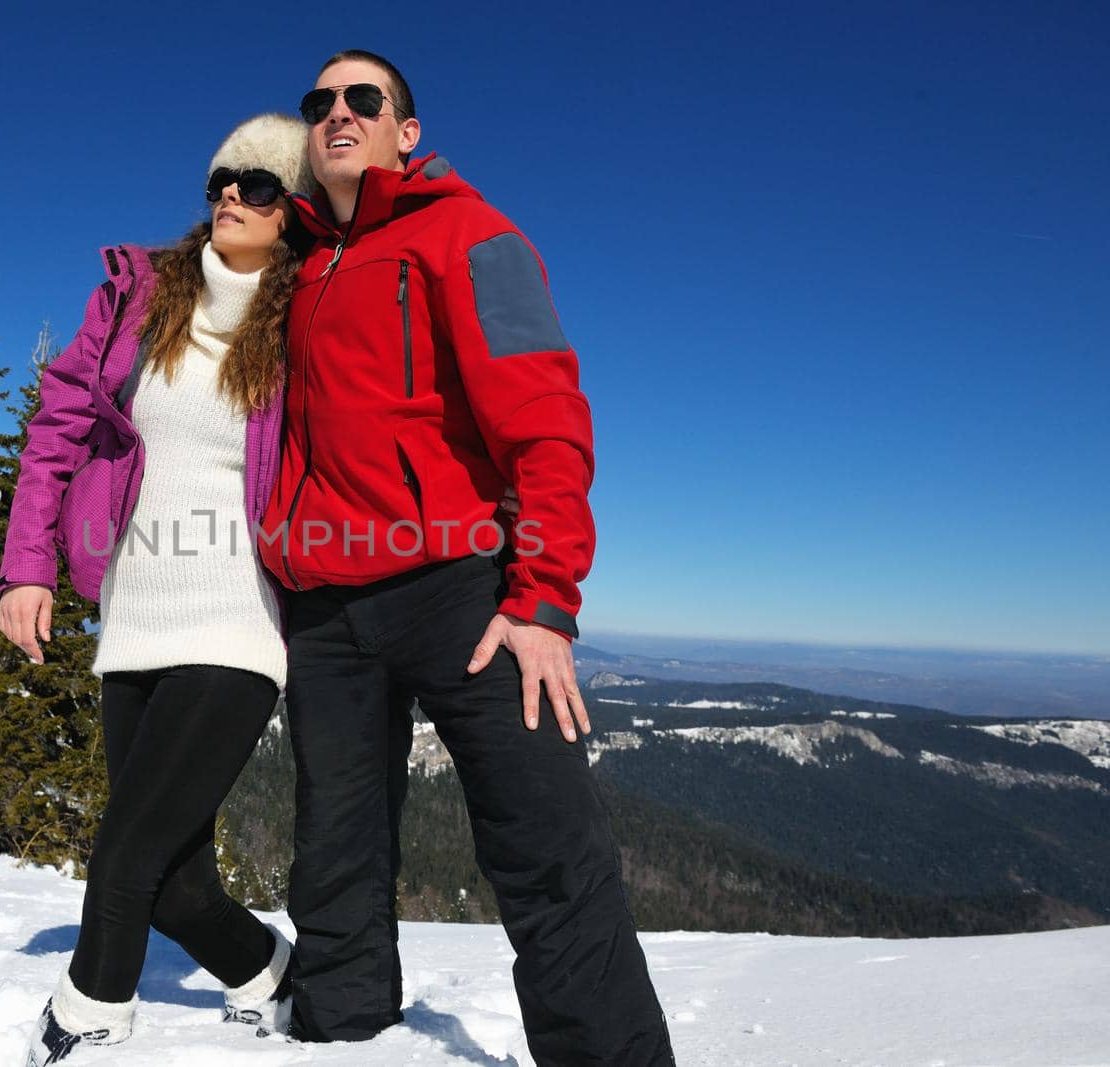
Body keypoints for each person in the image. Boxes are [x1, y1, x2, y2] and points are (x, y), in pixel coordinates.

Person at [260, 51, 677, 1065]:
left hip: (464, 593)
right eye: (319, 103)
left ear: (408, 130)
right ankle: (343, 1038)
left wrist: (542, 600)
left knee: (545, 847)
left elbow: (545, 420)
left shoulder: (469, 233)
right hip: (325, 611)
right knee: (333, 858)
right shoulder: (299, 267)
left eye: (366, 99)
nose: (338, 114)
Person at [0, 113, 314, 1063]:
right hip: (133, 616)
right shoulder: (138, 298)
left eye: (258, 185)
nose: (231, 194)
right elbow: (57, 430)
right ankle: (271, 974)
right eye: (223, 176)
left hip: (236, 624)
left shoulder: (306, 320)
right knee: (178, 883)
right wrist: (29, 564)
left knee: (124, 852)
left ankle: (92, 1020)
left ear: (292, 212)